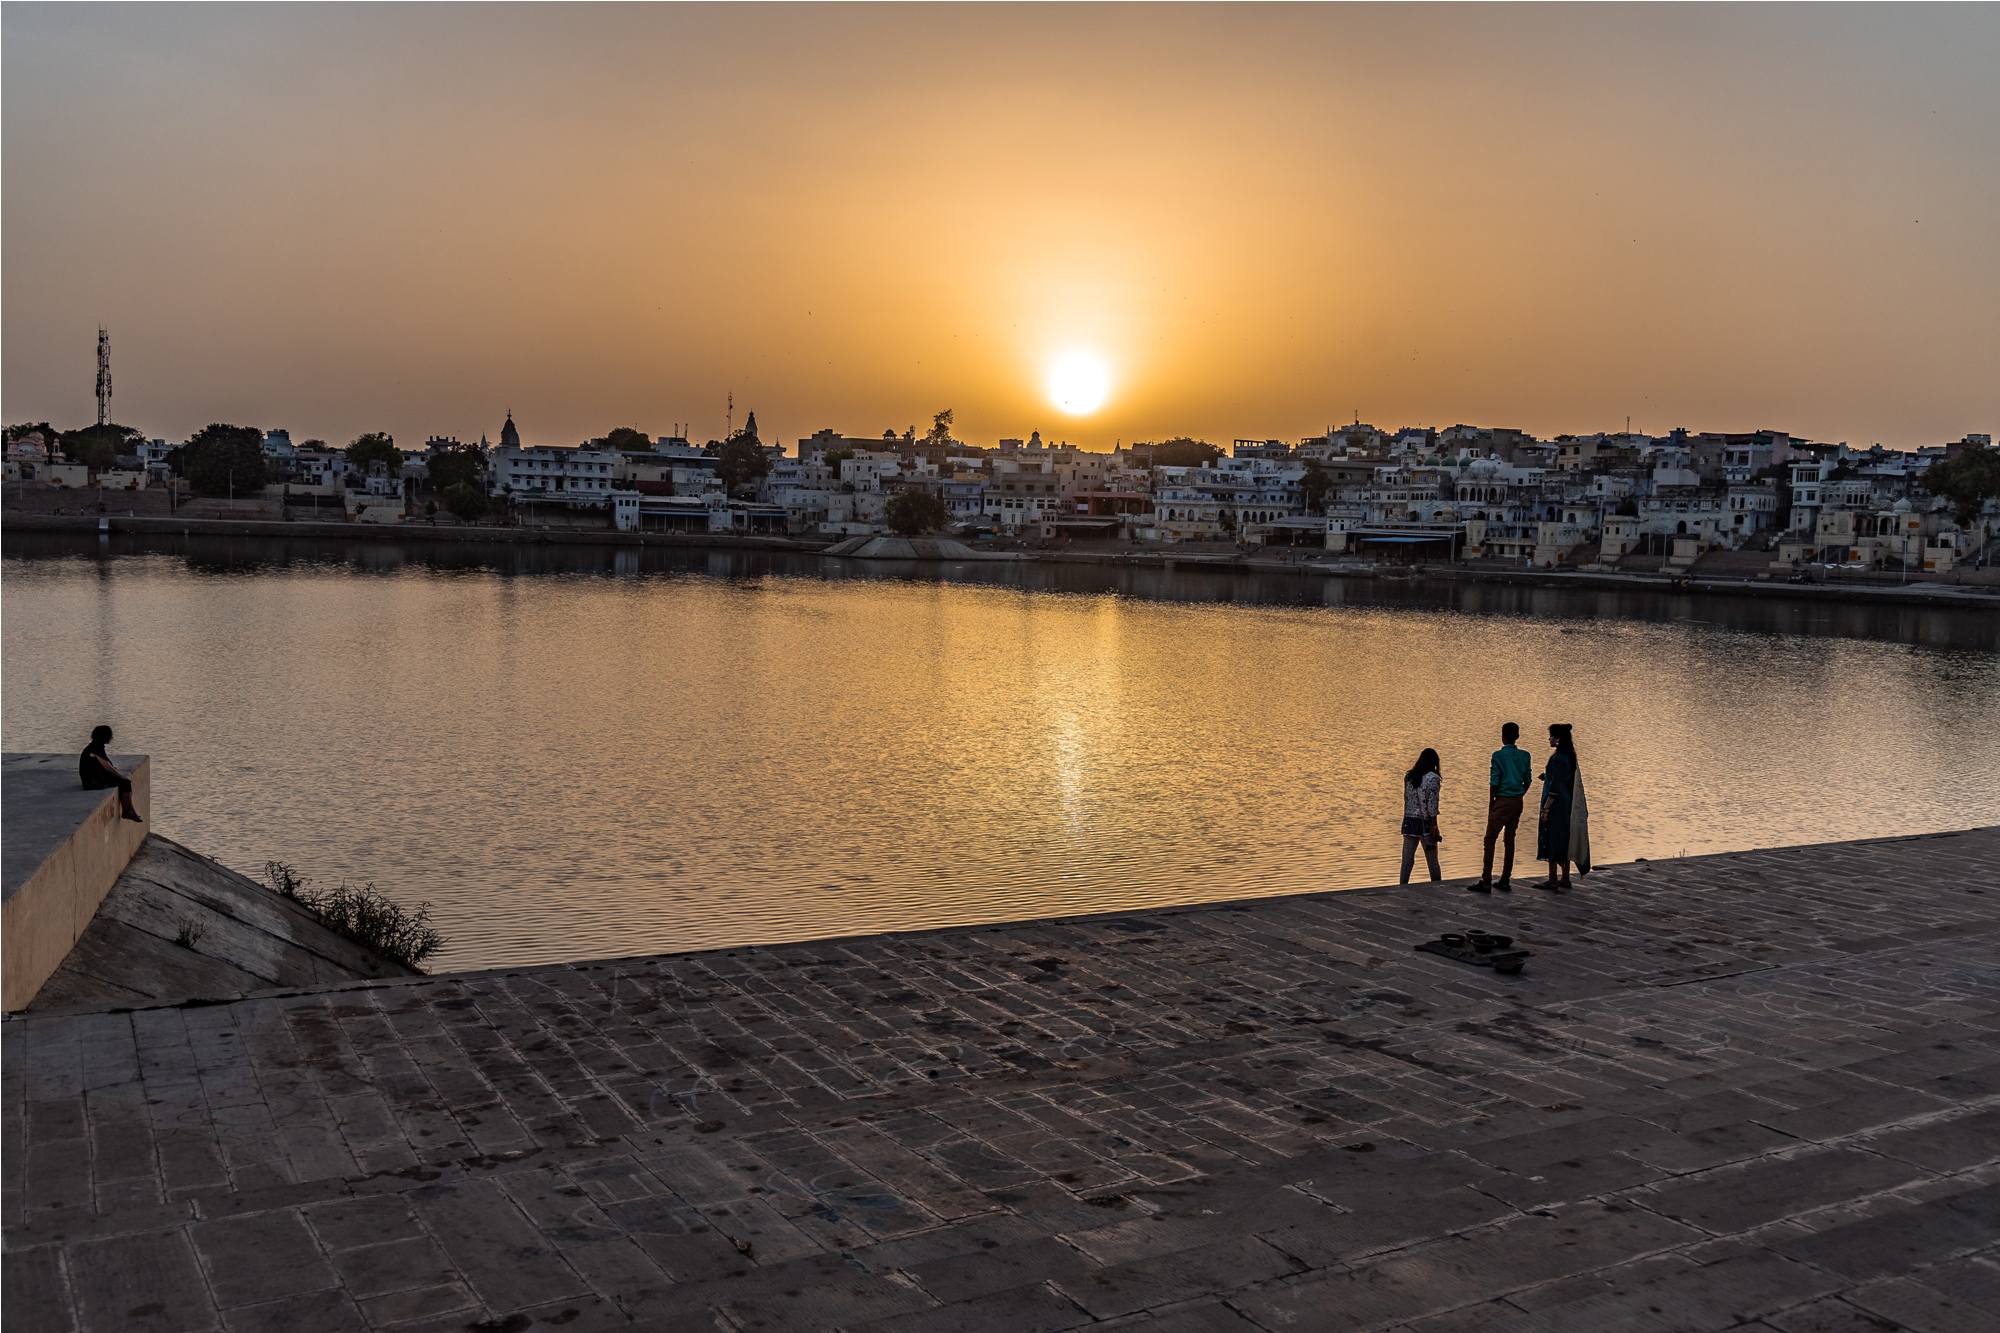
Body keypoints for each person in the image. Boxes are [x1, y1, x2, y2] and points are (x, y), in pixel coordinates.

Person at [1475, 722, 1532, 893]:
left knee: (1490, 838)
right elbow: (1528, 780)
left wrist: (1491, 802)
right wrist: (1520, 794)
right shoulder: (1525, 756)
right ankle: (1505, 879)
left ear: (1503, 736)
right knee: (1510, 839)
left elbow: (1494, 780)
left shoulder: (1498, 756)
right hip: (1517, 800)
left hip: (1502, 799)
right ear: (1517, 736)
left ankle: (1486, 880)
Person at [1535, 723, 1590, 890]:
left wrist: (1546, 809)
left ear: (1558, 738)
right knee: (1563, 838)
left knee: (1552, 838)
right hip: (1567, 802)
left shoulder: (1558, 758)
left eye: (1551, 736)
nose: (1549, 739)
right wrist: (1547, 775)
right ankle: (1565, 878)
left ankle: (1552, 879)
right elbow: (1562, 778)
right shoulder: (1569, 756)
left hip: (1557, 805)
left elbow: (1556, 787)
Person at [79, 725, 144, 823]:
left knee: (125, 783)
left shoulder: (96, 745)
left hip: (94, 777)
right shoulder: (96, 748)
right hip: (92, 781)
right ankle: (127, 812)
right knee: (125, 783)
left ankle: (130, 810)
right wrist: (121, 777)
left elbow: (107, 764)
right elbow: (108, 767)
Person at [1399, 747, 1443, 884]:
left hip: (1410, 823)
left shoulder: (1409, 776)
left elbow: (1406, 799)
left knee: (1407, 860)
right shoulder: (1433, 778)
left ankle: (1402, 885)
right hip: (1425, 825)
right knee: (1433, 861)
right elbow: (1432, 806)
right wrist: (1435, 826)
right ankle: (1437, 886)